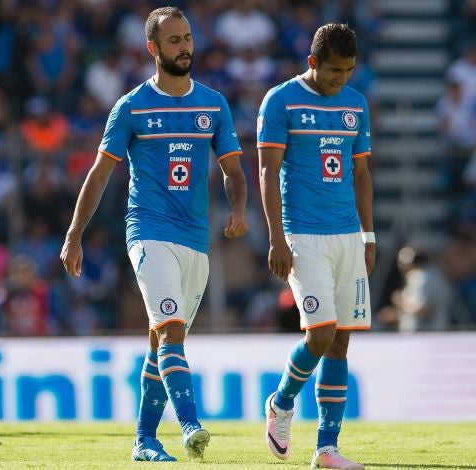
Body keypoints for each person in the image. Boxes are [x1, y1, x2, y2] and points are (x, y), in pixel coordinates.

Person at [60, 6, 248, 462]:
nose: (185, 47)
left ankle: (144, 440)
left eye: (187, 38)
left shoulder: (213, 104)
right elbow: (100, 174)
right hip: (147, 232)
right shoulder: (131, 107)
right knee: (171, 329)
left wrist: (239, 206)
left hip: (195, 241)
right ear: (153, 48)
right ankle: (190, 425)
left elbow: (234, 170)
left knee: (160, 339)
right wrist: (74, 234)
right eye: (174, 40)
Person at [257, 23, 374, 470]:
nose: (339, 79)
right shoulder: (280, 101)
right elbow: (268, 172)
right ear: (312, 62)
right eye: (332, 71)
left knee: (341, 343)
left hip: (347, 234)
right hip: (303, 234)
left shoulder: (356, 104)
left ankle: (327, 448)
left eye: (346, 71)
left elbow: (362, 175)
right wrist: (275, 237)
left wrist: (368, 236)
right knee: (320, 335)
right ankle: (281, 402)